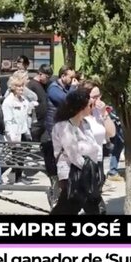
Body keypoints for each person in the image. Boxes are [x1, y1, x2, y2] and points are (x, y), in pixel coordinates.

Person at [50, 87, 106, 215]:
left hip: (86, 175)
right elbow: (73, 154)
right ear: (80, 107)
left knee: (94, 209)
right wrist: (89, 170)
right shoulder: (63, 126)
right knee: (69, 208)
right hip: (71, 176)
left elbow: (94, 146)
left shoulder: (85, 123)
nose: (92, 107)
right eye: (89, 105)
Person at [2, 71, 34, 185]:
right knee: (16, 155)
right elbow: (8, 120)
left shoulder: (23, 100)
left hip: (23, 131)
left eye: (22, 86)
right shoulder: (8, 101)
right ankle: (2, 172)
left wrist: (27, 132)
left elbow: (24, 118)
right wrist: (11, 136)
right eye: (19, 86)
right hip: (14, 133)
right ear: (13, 87)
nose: (21, 88)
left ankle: (17, 176)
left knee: (22, 155)